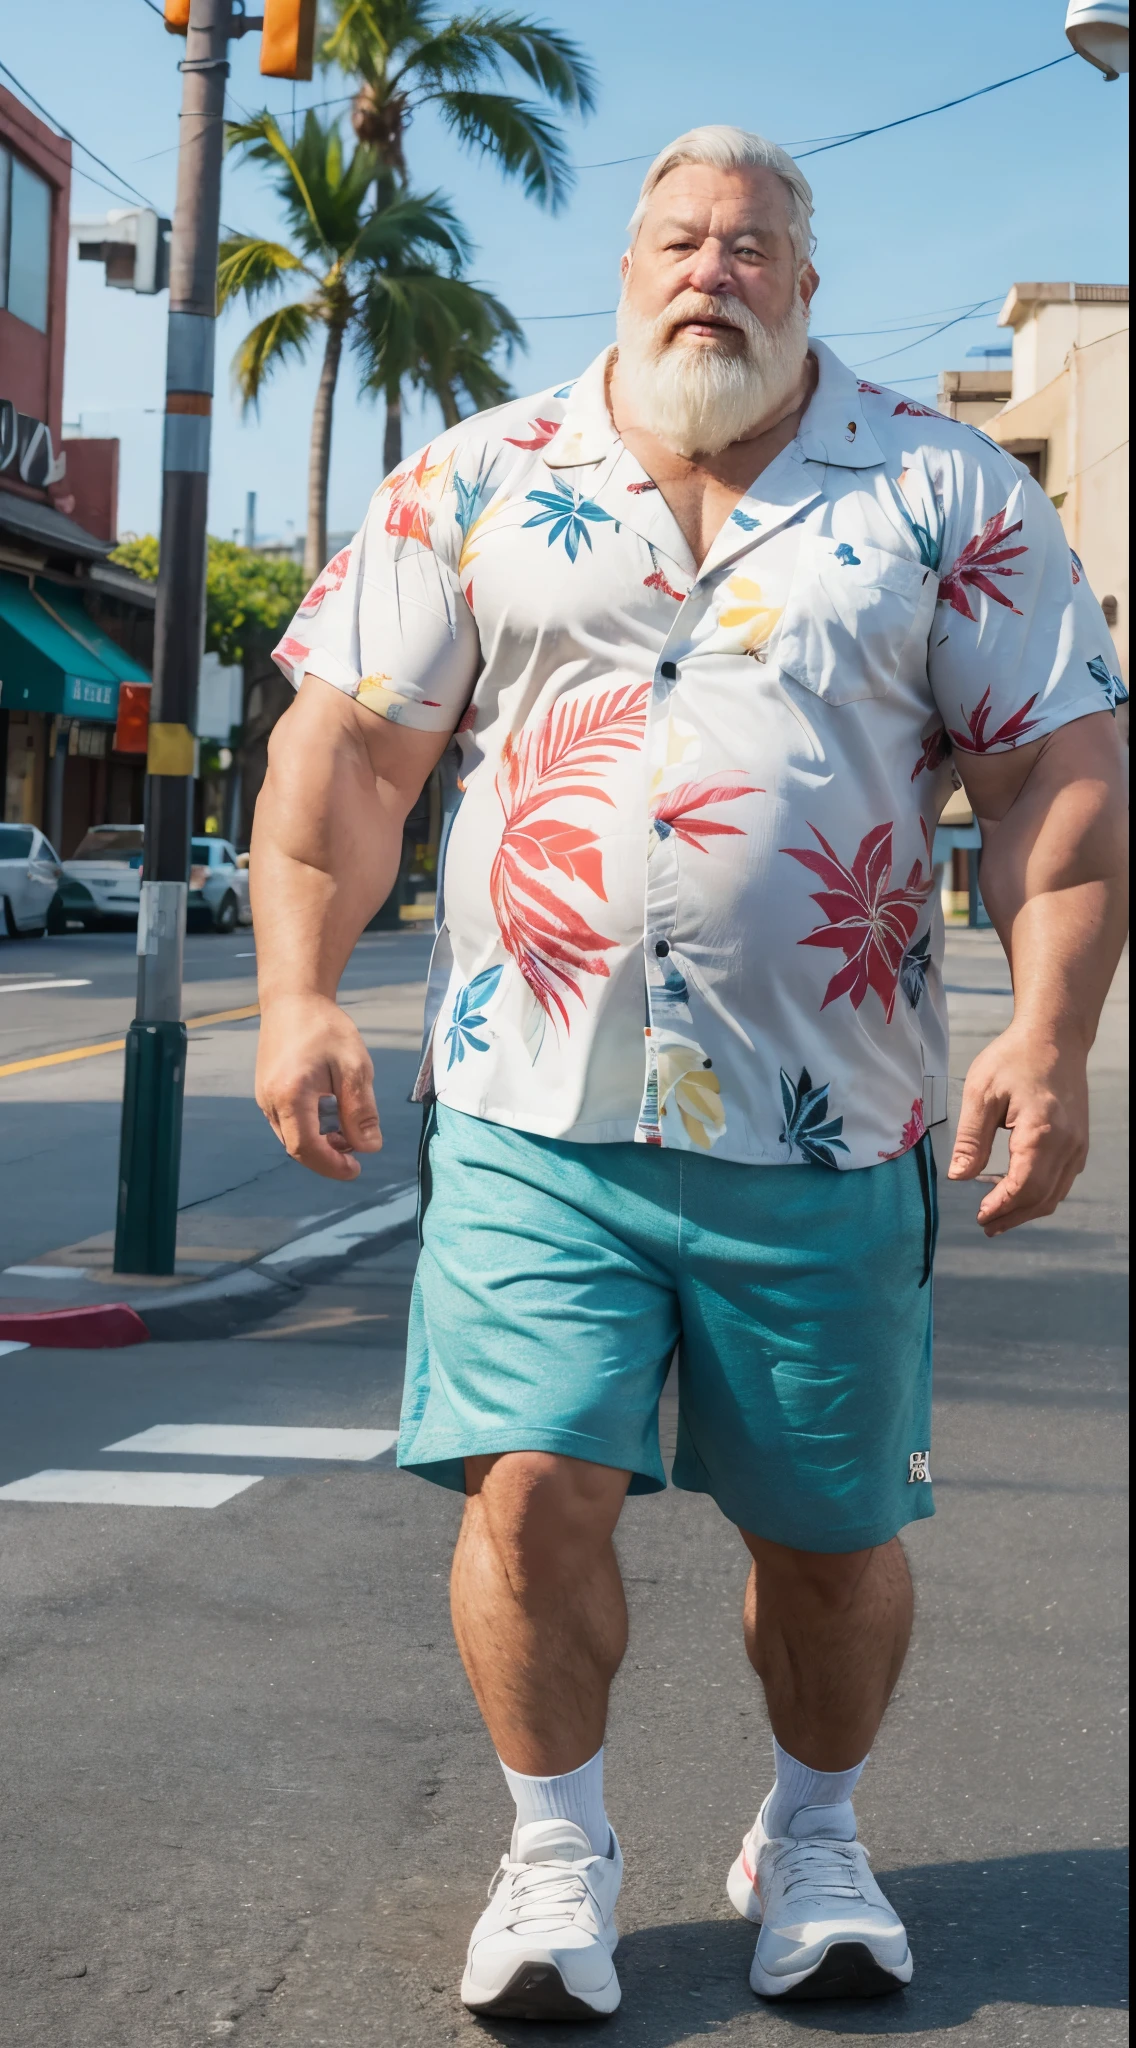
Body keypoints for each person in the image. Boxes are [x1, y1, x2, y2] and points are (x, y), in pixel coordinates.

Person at [252, 126, 1128, 2018]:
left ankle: (812, 1835)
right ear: (628, 266)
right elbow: (345, 762)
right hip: (526, 1109)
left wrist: (1050, 1038)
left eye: (752, 241)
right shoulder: (479, 476)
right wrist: (297, 993)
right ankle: (553, 1852)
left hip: (828, 1130)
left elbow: (1056, 782)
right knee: (532, 1490)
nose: (710, 266)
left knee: (827, 1540)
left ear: (808, 277)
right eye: (676, 238)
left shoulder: (943, 489)